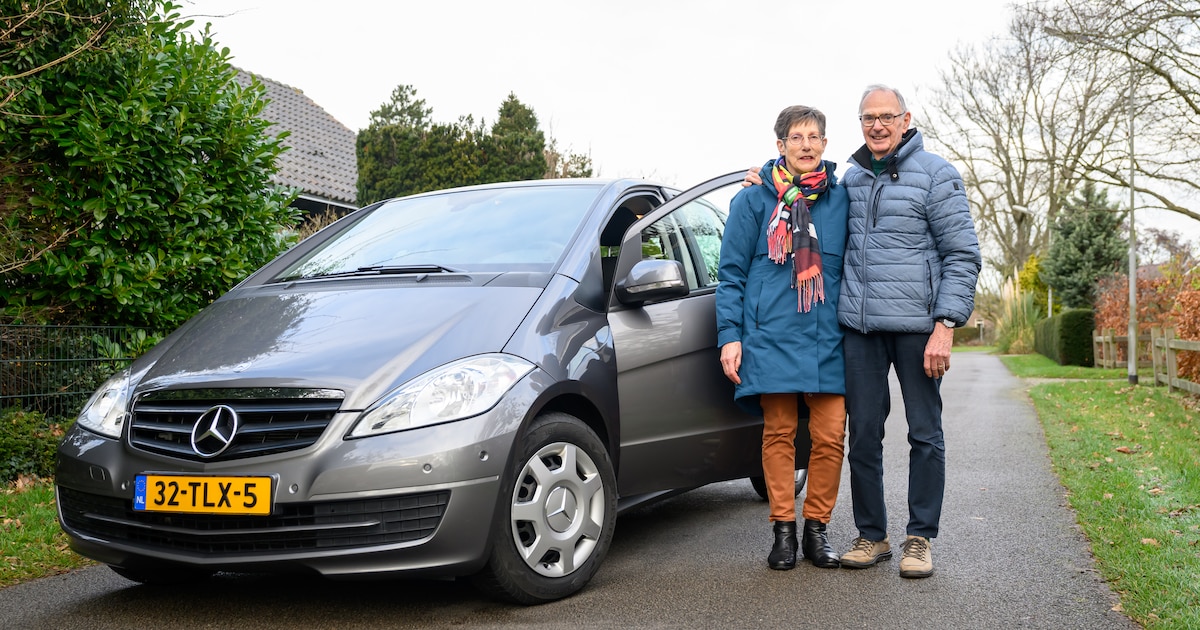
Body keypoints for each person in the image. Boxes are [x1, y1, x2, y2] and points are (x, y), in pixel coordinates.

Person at [743, 85, 981, 579]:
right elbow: (796, 190)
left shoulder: (937, 176)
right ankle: (873, 535)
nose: (877, 125)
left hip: (918, 326)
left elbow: (962, 255)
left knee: (924, 433)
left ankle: (920, 537)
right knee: (864, 436)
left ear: (906, 119)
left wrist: (946, 325)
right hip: (860, 327)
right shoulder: (848, 181)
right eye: (868, 117)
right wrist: (764, 178)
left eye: (886, 117)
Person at [717, 105, 849, 571]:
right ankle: (784, 533)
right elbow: (730, 274)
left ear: (825, 145)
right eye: (797, 137)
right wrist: (729, 336)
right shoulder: (752, 201)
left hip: (828, 336)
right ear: (781, 146)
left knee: (831, 436)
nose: (806, 145)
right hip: (770, 334)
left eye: (814, 137)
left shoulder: (842, 198)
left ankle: (817, 530)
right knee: (779, 434)